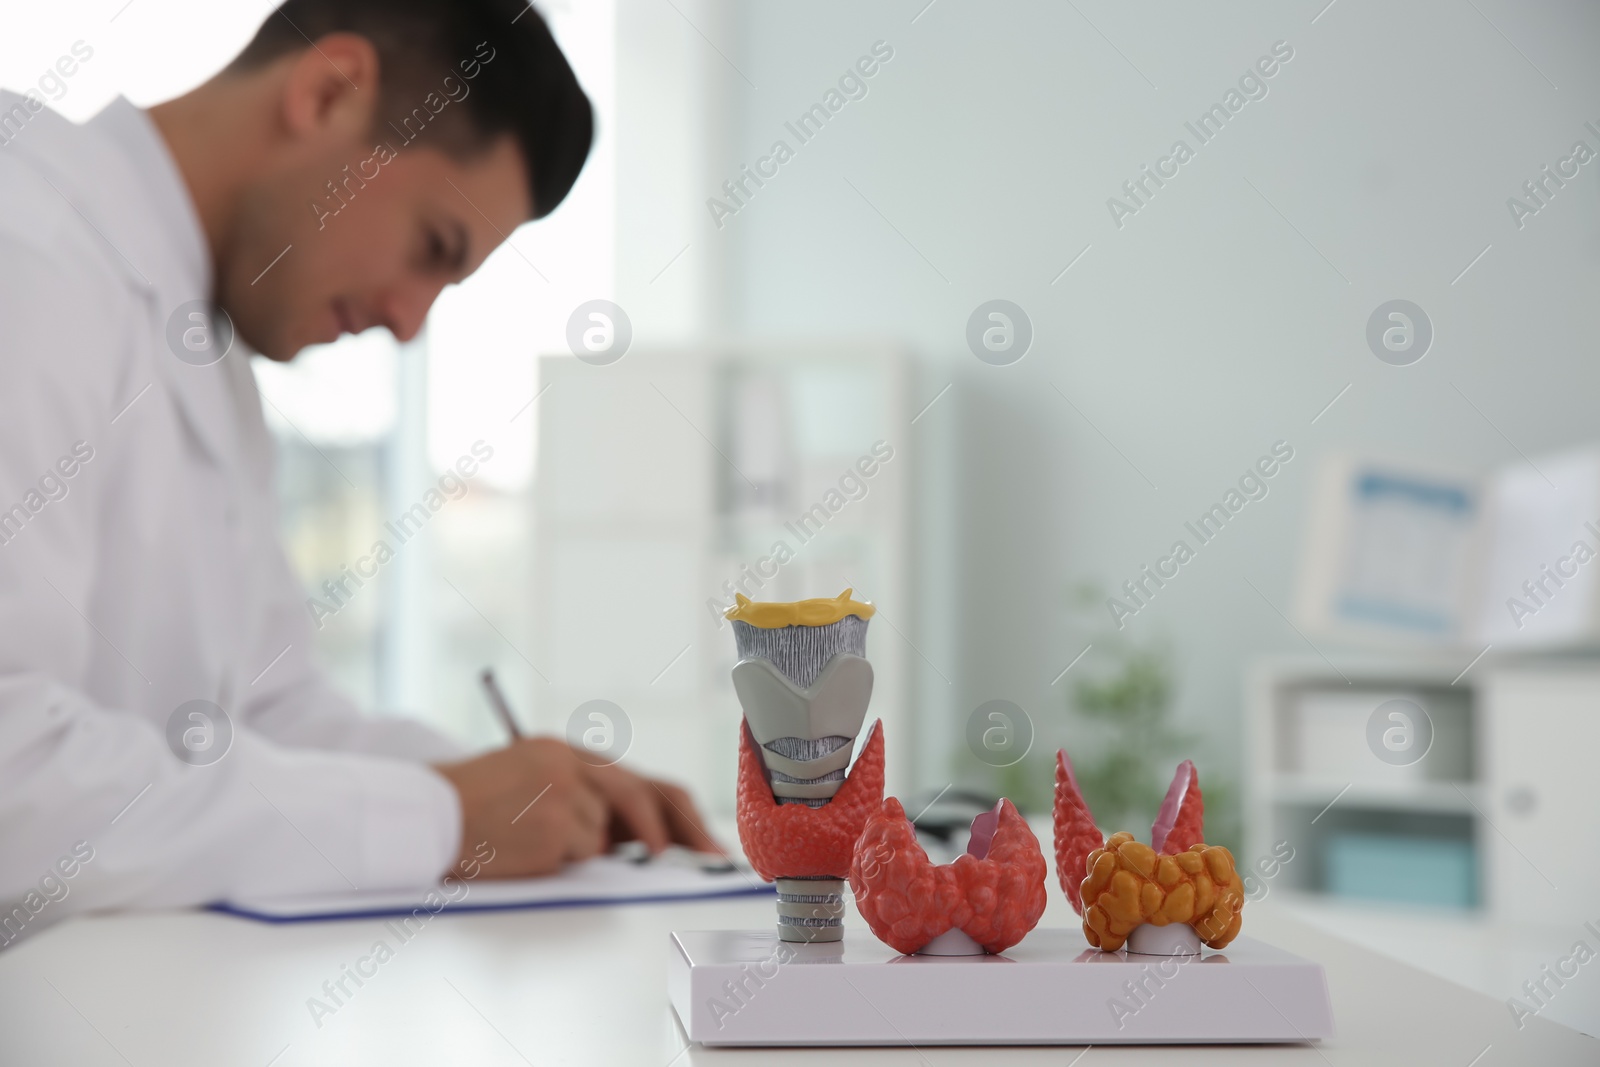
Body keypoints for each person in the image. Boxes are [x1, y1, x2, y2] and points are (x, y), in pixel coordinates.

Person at [0, 0, 715, 934]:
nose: (410, 322)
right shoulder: (31, 249)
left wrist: (526, 794)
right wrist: (447, 817)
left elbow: (267, 715)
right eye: (432, 248)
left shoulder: (204, 352)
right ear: (329, 91)